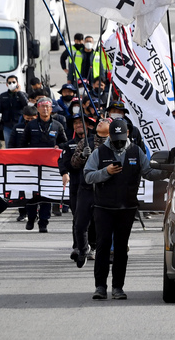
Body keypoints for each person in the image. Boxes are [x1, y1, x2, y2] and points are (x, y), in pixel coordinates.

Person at [84, 119, 167, 300]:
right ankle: (100, 286)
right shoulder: (99, 152)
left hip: (127, 207)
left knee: (121, 248)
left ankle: (118, 287)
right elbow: (88, 176)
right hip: (103, 207)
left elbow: (148, 172)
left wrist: (167, 171)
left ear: (127, 134)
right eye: (116, 139)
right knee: (103, 246)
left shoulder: (135, 151)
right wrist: (106, 172)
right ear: (110, 136)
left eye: (122, 138)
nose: (119, 142)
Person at [20, 97, 68, 232]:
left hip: (49, 166)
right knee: (32, 192)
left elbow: (65, 143)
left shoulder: (58, 125)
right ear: (38, 109)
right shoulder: (31, 125)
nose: (45, 109)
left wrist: (60, 146)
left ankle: (44, 222)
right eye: (42, 106)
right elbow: (22, 144)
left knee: (47, 193)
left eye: (48, 106)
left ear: (51, 109)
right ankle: (30, 217)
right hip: (33, 165)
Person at [72, 118, 108, 268]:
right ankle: (82, 249)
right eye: (100, 120)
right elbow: (73, 163)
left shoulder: (114, 143)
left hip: (104, 190)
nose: (101, 122)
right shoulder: (85, 141)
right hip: (86, 189)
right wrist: (82, 156)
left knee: (103, 225)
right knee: (80, 224)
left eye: (106, 121)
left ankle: (101, 251)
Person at [59, 114, 94, 261]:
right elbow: (65, 163)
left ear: (89, 125)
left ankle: (92, 245)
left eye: (81, 122)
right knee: (78, 218)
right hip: (76, 186)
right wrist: (65, 172)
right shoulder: (69, 145)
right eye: (76, 123)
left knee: (95, 218)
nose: (78, 125)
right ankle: (78, 247)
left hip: (94, 187)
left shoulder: (95, 142)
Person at [0, 75, 28, 145]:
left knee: (20, 143)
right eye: (9, 83)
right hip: (7, 125)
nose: (12, 84)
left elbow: (26, 105)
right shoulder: (3, 96)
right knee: (9, 144)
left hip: (19, 123)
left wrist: (19, 92)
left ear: (17, 83)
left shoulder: (23, 95)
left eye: (13, 82)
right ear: (7, 84)